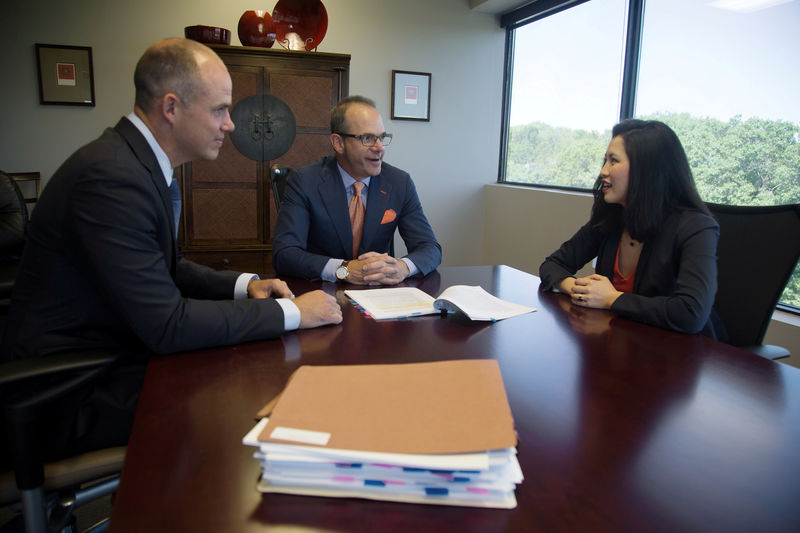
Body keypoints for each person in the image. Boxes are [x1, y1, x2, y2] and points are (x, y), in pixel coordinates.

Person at [0, 38, 341, 460]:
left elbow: (168, 266)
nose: (230, 124)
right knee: (244, 397)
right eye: (219, 109)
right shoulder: (112, 178)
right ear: (171, 108)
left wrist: (244, 284)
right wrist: (293, 313)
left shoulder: (131, 161)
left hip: (109, 353)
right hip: (69, 390)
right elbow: (167, 325)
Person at [539, 119, 724, 339]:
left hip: (680, 355)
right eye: (605, 161)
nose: (602, 172)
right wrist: (578, 289)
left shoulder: (695, 226)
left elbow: (690, 313)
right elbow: (552, 265)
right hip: (621, 342)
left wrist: (611, 299)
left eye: (613, 161)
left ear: (646, 170)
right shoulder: (612, 216)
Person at [272, 96, 441, 284]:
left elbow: (430, 248)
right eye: (368, 138)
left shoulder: (399, 182)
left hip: (379, 297)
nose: (379, 148)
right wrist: (343, 270)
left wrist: (403, 267)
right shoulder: (305, 181)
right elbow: (284, 254)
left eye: (382, 138)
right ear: (338, 143)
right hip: (322, 294)